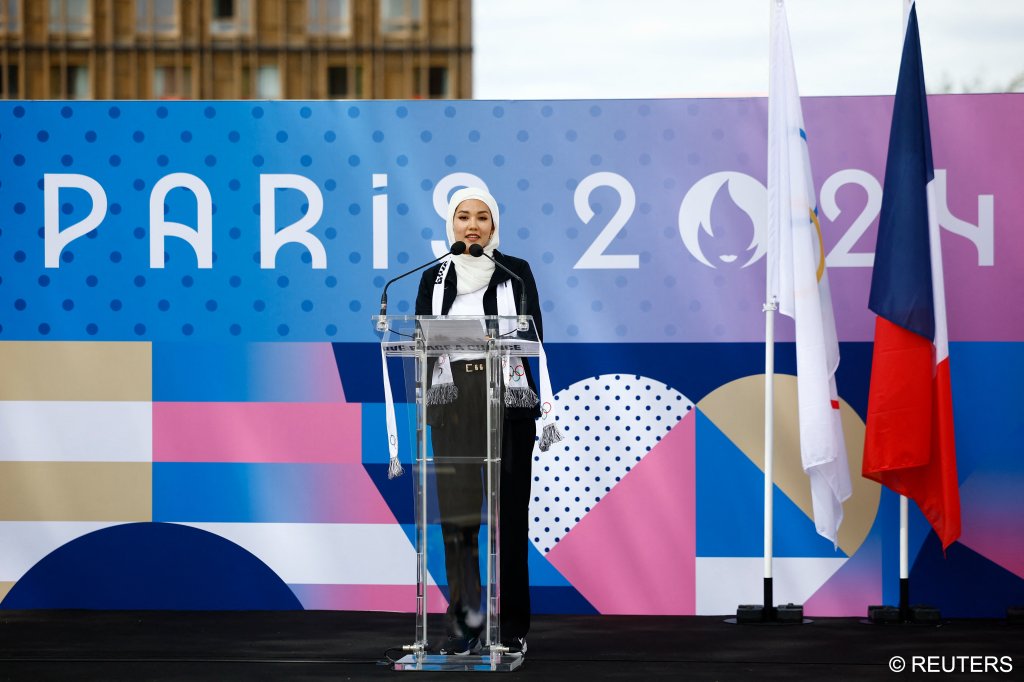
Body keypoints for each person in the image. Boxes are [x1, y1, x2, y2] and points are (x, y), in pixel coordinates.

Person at [415, 187, 542, 657]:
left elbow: (534, 336)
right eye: (463, 217)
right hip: (454, 402)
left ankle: (511, 628)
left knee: (509, 515)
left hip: (507, 398)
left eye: (482, 217)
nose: (472, 225)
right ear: (451, 225)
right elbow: (423, 340)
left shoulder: (516, 272)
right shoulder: (434, 276)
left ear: (494, 225)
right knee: (460, 520)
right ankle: (466, 625)